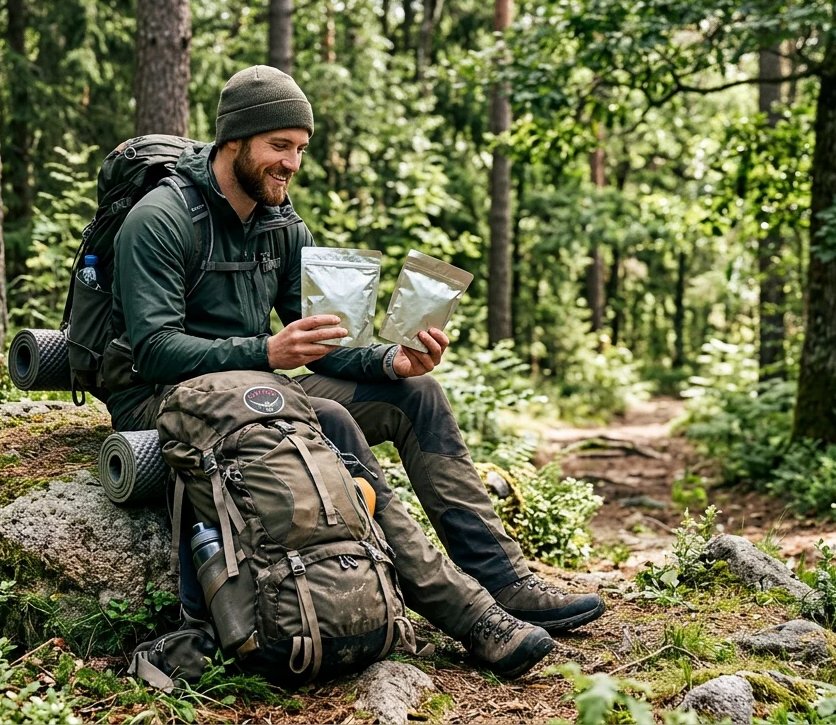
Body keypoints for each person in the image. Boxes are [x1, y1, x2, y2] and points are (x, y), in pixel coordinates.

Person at [109, 65, 604, 679]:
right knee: (332, 419)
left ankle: (503, 580)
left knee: (416, 393)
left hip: (258, 390)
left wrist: (388, 360)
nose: (292, 164)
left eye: (300, 149)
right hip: (165, 400)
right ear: (234, 142)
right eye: (279, 147)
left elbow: (319, 344)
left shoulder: (282, 225)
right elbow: (152, 349)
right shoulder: (160, 219)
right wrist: (266, 352)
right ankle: (471, 617)